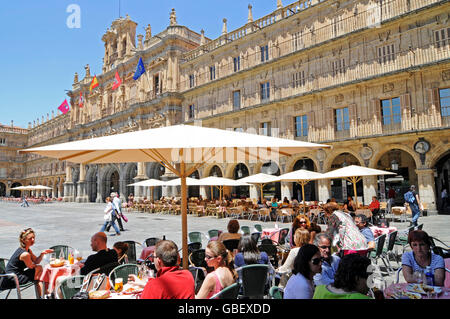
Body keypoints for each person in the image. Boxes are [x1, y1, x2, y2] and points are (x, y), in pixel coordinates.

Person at [129, 240, 195, 299]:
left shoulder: (153, 286)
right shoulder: (188, 275)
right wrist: (143, 283)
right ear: (178, 259)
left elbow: (158, 288)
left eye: (153, 257)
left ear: (158, 261)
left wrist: (149, 286)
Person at [0, 228, 53, 298]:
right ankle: (44, 294)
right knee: (38, 270)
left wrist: (42, 254)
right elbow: (31, 266)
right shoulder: (25, 254)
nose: (33, 240)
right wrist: (35, 266)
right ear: (23, 240)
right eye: (30, 238)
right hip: (11, 278)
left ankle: (43, 294)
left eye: (33, 237)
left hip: (15, 275)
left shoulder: (27, 250)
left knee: (38, 274)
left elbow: (36, 261)